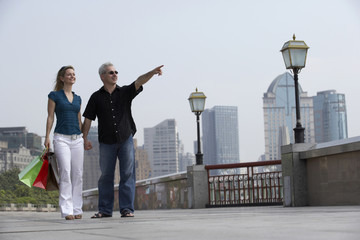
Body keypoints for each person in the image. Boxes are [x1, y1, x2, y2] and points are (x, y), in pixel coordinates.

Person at [82, 62, 163, 218]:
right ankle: (105, 210)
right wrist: (85, 139)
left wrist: (152, 73)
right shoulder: (96, 97)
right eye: (111, 72)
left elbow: (139, 81)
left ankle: (127, 209)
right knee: (106, 176)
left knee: (127, 174)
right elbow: (88, 120)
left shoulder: (125, 92)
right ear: (102, 76)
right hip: (106, 142)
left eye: (116, 72)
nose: (115, 74)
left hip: (125, 138)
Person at [44, 65, 84, 220]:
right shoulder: (54, 95)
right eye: (69, 74)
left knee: (78, 174)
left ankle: (77, 208)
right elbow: (50, 117)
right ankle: (67, 210)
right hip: (61, 138)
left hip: (77, 139)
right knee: (65, 172)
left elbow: (79, 119)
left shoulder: (78, 98)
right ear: (62, 78)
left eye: (74, 74)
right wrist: (47, 137)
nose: (72, 76)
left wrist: (83, 137)